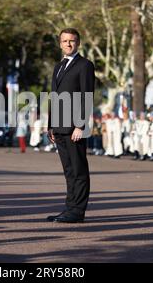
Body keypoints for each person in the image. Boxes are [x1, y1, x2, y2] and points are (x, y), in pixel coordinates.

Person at [47, 28, 95, 223]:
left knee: (79, 170)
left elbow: (87, 96)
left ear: (78, 43)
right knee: (68, 171)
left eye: (72, 41)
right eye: (65, 41)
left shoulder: (85, 65)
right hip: (59, 127)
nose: (68, 44)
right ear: (60, 43)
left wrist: (80, 125)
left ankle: (77, 211)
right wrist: (51, 125)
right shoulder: (58, 67)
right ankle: (69, 209)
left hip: (75, 127)